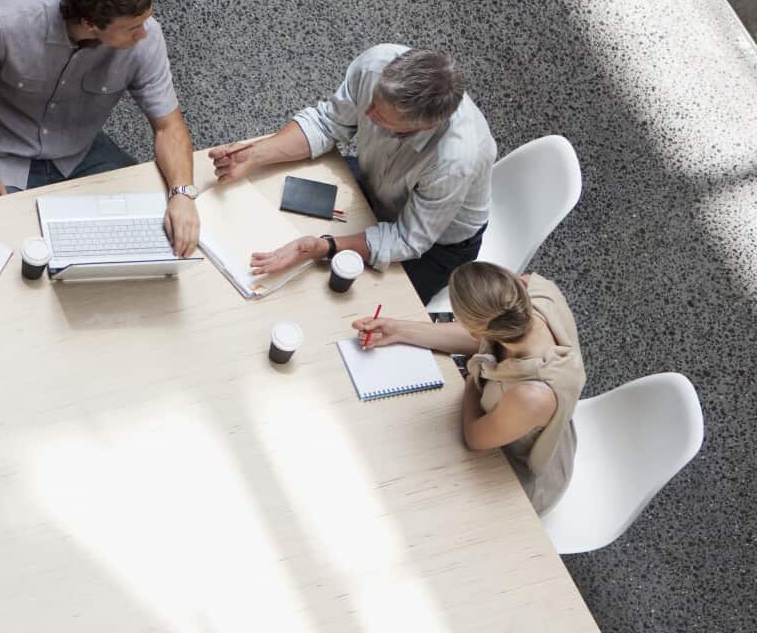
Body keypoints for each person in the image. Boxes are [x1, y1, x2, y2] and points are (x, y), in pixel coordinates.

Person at [0, 0, 200, 256]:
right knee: (7, 252)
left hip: (77, 152)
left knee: (151, 220)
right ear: (90, 24)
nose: (143, 34)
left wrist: (182, 194)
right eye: (132, 27)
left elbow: (168, 125)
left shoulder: (147, 37)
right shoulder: (2, 22)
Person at [210, 44, 496, 303]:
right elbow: (327, 123)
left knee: (351, 308)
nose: (367, 114)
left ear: (422, 127)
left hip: (434, 242)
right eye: (372, 101)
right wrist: (256, 154)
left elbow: (407, 239)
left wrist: (327, 246)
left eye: (381, 117)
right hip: (378, 183)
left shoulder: (456, 160)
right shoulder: (376, 65)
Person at [351, 262, 585, 514]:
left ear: (475, 330)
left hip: (517, 470)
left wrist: (474, 378)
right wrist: (398, 330)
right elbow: (485, 340)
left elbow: (474, 437)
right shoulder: (531, 292)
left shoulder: (531, 396)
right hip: (514, 421)